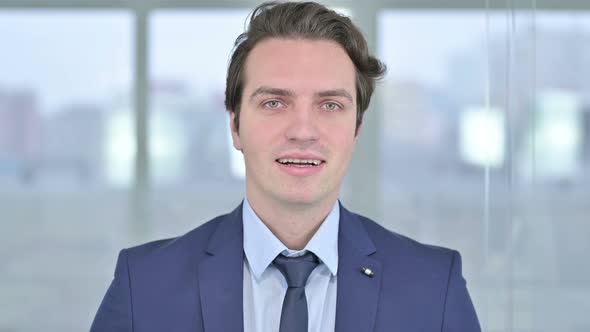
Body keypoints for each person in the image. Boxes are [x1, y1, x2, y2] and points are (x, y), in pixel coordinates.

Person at [90, 1, 481, 331]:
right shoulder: (143, 287)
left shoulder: (434, 289)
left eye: (330, 105)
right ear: (235, 126)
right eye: (274, 103)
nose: (302, 130)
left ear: (356, 130)